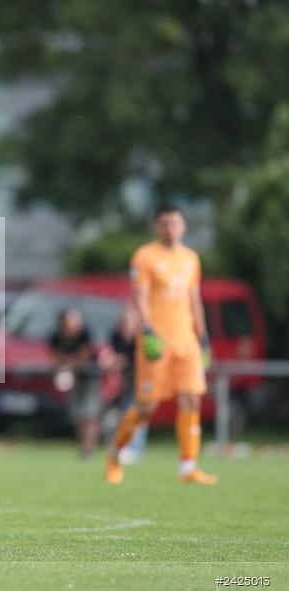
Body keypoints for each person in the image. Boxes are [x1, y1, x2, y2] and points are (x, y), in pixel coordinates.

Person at [105, 204, 216, 484]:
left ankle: (187, 467)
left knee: (191, 398)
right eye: (165, 223)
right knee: (146, 407)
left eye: (175, 223)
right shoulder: (145, 256)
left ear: (184, 226)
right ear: (157, 227)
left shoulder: (191, 259)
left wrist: (202, 337)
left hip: (186, 342)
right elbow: (140, 297)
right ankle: (115, 453)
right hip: (156, 341)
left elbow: (194, 300)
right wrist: (147, 330)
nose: (170, 229)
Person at [49, 308, 100, 457]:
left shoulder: (85, 334)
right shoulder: (56, 337)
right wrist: (66, 368)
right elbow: (54, 358)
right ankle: (84, 446)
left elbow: (84, 356)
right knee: (77, 415)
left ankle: (88, 448)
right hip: (72, 379)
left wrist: (69, 365)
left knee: (90, 414)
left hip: (90, 378)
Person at [108, 306, 147, 463]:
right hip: (128, 380)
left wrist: (125, 361)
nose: (126, 325)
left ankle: (135, 448)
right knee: (128, 412)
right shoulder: (117, 336)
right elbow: (115, 356)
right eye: (123, 322)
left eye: (129, 322)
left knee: (138, 413)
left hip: (144, 380)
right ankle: (127, 446)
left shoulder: (142, 337)